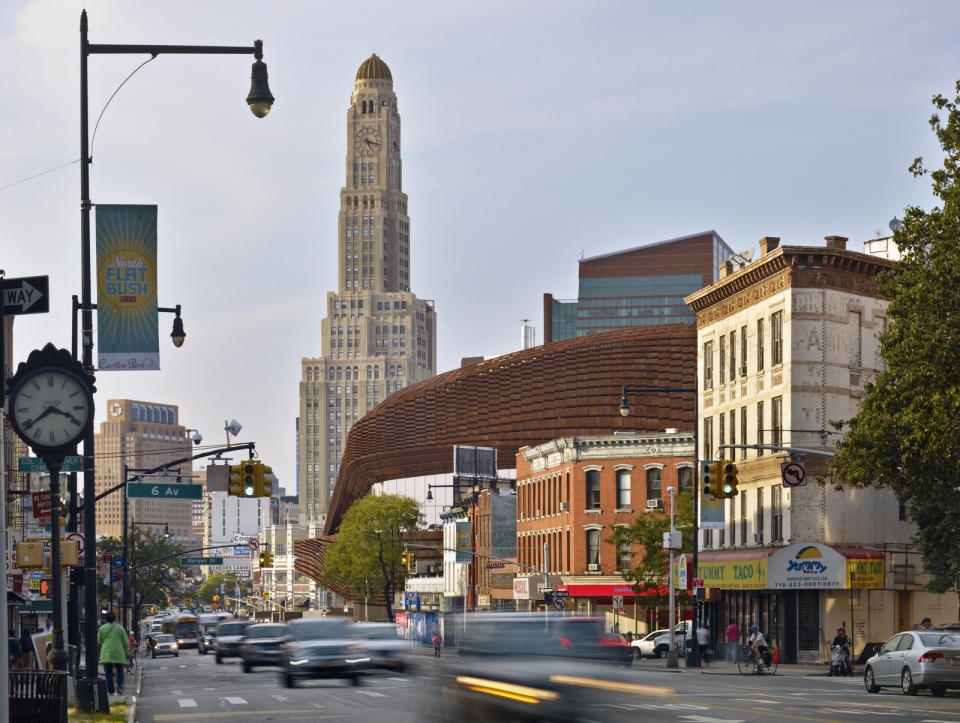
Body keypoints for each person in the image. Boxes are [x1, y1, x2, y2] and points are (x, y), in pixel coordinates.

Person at [97, 613, 130, 696]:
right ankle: (119, 685)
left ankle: (110, 691)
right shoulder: (120, 628)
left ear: (106, 619)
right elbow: (126, 642)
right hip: (118, 651)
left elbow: (99, 641)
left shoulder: (102, 628)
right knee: (120, 669)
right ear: (115, 619)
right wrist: (127, 653)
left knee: (108, 671)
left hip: (106, 652)